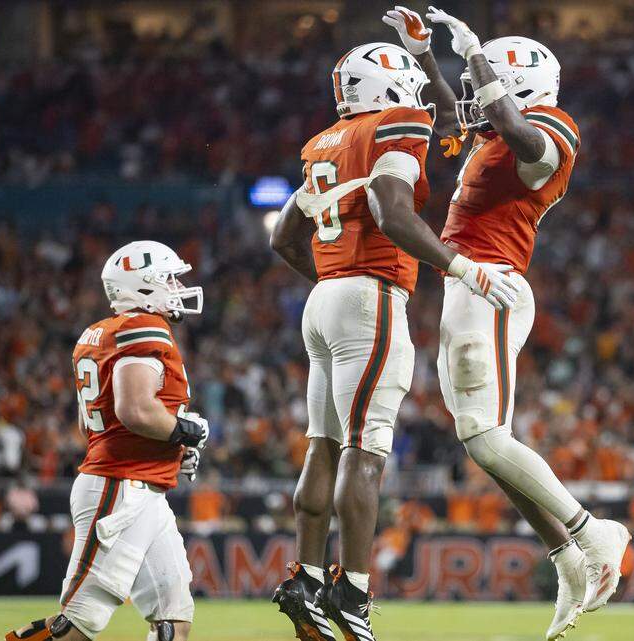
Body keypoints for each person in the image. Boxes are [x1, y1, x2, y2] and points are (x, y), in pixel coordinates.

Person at [383, 7, 631, 639]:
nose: (472, 94)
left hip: (490, 284)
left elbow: (522, 134)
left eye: (484, 80)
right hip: (469, 284)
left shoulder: (551, 128)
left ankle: (592, 534)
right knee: (482, 441)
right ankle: (565, 557)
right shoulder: (493, 132)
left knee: (485, 436)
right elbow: (458, 113)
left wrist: (476, 56)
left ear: (516, 84)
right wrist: (426, 54)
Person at [269, 42, 518, 641]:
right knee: (366, 449)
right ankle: (352, 590)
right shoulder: (395, 124)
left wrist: (334, 279)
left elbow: (283, 237)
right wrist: (462, 267)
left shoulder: (323, 143)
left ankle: (304, 577)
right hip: (369, 298)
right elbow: (391, 212)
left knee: (323, 444)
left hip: (324, 299)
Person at [5, 241, 209, 641]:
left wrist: (171, 446)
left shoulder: (99, 332)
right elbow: (135, 409)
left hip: (141, 487)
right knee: (78, 623)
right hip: (120, 488)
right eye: (168, 279)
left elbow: (97, 426)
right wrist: (188, 430)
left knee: (173, 619)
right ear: (143, 285)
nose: (177, 287)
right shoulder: (143, 328)